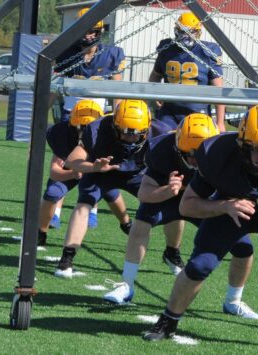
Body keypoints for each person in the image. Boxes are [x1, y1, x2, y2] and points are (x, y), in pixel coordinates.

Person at [143, 105, 258, 346]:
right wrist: (224, 206)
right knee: (200, 265)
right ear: (242, 143)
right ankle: (168, 320)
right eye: (257, 151)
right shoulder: (218, 155)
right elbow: (187, 206)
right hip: (230, 211)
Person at [103, 113, 258, 319]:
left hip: (207, 201)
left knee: (243, 247)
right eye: (189, 155)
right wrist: (168, 190)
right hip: (171, 198)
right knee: (141, 221)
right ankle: (127, 284)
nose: (194, 161)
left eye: (200, 155)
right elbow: (144, 193)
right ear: (177, 146)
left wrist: (227, 204)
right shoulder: (161, 150)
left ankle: (233, 301)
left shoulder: (227, 152)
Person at [54, 99, 171, 278]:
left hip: (138, 174)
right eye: (125, 133)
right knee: (83, 204)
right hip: (102, 172)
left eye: (137, 134)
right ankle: (66, 259)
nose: (131, 139)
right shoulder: (97, 129)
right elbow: (71, 161)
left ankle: (172, 252)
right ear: (114, 126)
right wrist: (94, 167)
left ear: (148, 128)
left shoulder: (161, 132)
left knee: (170, 203)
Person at [52, 7, 128, 228]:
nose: (87, 36)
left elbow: (117, 90)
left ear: (100, 31)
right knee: (63, 162)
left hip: (97, 118)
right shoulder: (67, 52)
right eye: (84, 30)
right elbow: (54, 87)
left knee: (96, 164)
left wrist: (117, 116)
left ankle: (94, 208)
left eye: (92, 31)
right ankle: (55, 211)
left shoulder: (111, 54)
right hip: (70, 115)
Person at [38, 100, 129, 246]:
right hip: (73, 168)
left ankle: (126, 223)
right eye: (81, 128)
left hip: (98, 169)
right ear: (71, 125)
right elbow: (54, 173)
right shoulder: (61, 134)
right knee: (52, 192)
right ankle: (40, 233)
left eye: (90, 128)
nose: (86, 132)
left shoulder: (108, 134)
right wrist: (72, 174)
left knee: (110, 191)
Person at [148, 12, 226, 132]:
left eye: (192, 31)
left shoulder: (208, 51)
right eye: (183, 31)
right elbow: (155, 76)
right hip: (170, 111)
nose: (187, 35)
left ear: (199, 32)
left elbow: (218, 89)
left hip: (198, 111)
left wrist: (220, 123)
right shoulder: (167, 48)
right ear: (177, 30)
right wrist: (154, 95)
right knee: (162, 139)